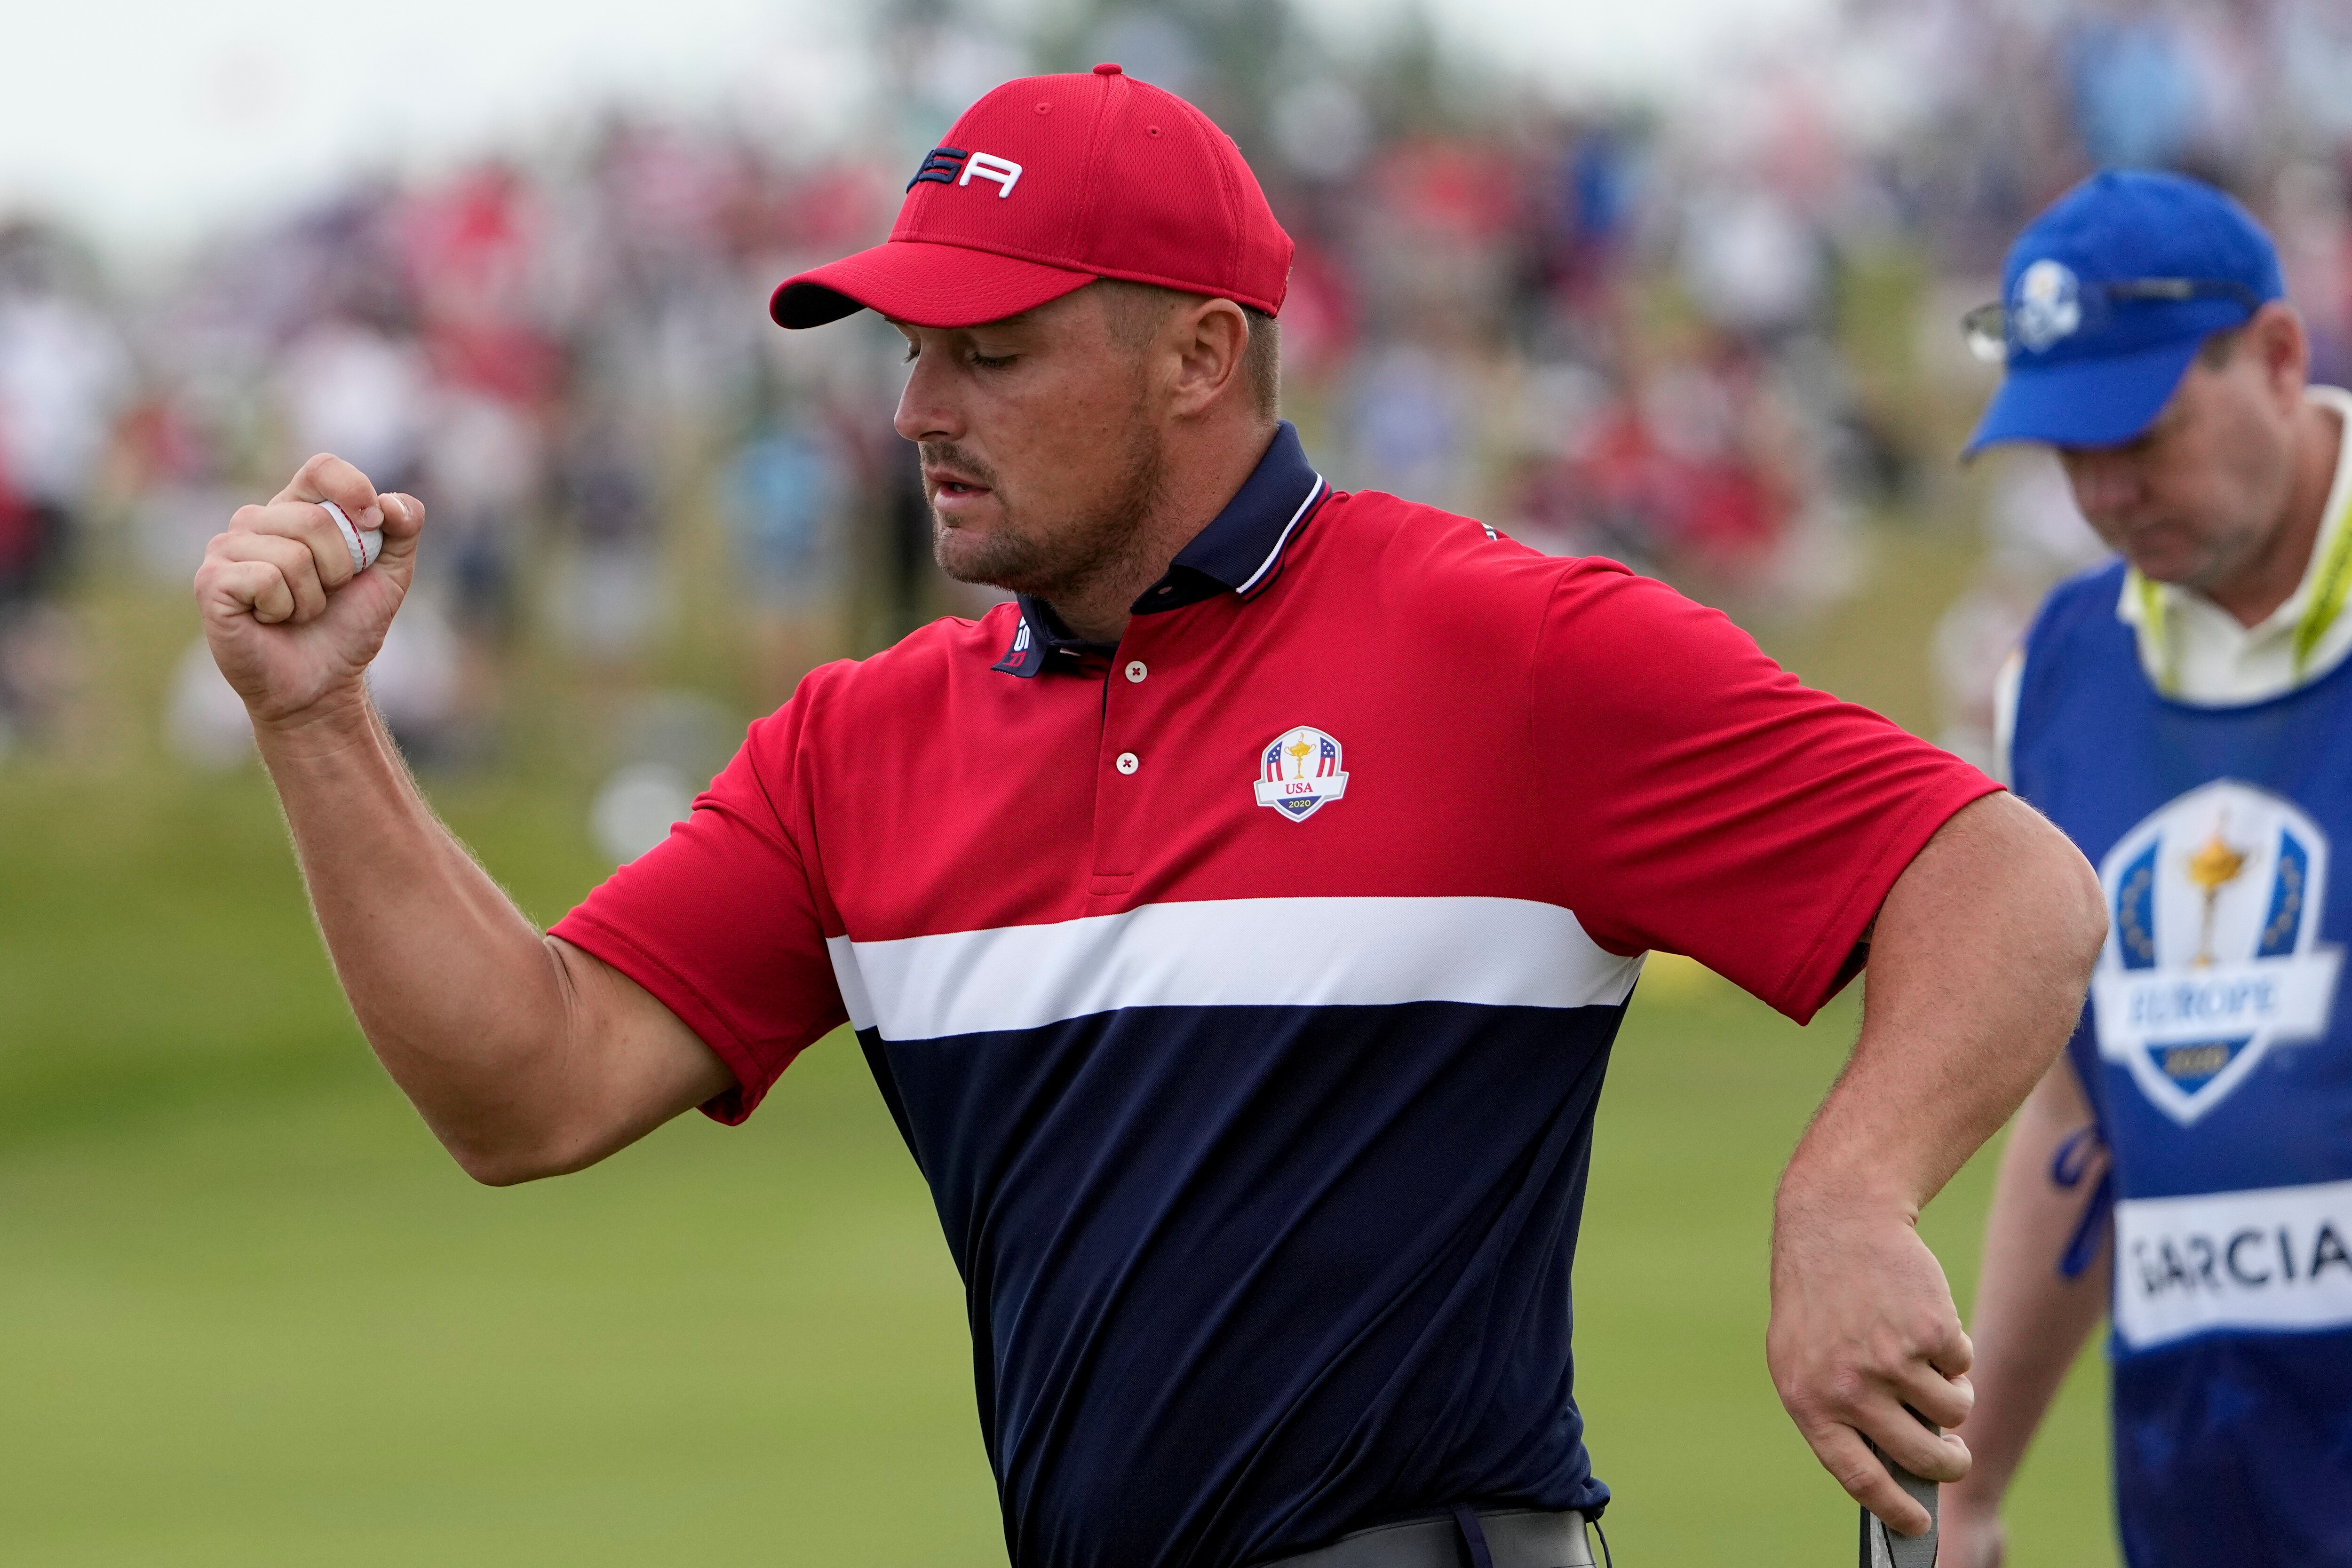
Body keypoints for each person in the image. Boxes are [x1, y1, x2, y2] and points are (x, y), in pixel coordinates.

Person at [194, 68, 2103, 1568]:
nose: (920, 407)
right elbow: (521, 1088)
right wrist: (320, 721)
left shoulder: (1501, 649)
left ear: (1199, 355)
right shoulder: (854, 750)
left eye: (991, 353)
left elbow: (2002, 879)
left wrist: (1846, 1192)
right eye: (908, 352)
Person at [1941, 170, 2352, 1568]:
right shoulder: (2057, 677)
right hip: (2205, 1506)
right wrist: (1972, 1484)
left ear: (2283, 358)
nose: (2107, 490)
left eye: (2144, 432)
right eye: (2068, 450)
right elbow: (2088, 1099)